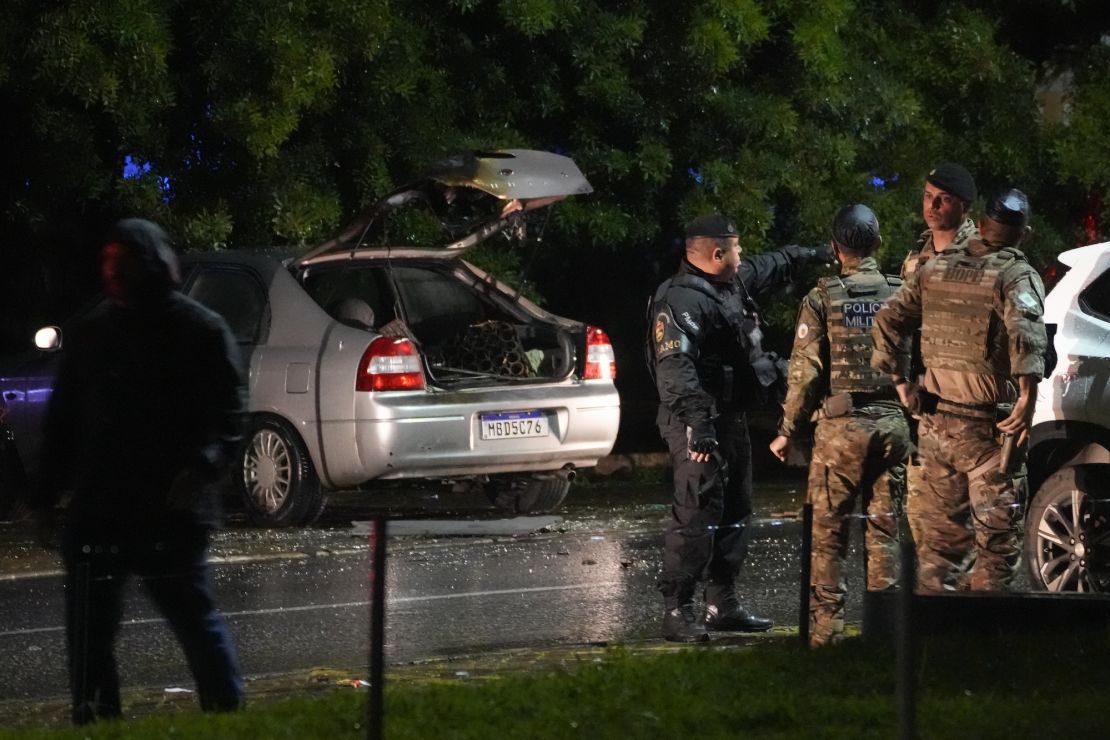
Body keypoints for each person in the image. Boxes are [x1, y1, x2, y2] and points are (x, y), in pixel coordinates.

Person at [33, 218, 247, 724]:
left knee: (194, 623)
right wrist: (45, 497)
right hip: (102, 508)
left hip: (167, 511)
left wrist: (201, 468)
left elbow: (229, 419)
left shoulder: (197, 330)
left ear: (151, 266)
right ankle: (96, 720)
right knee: (89, 636)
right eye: (110, 263)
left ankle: (229, 716)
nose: (115, 273)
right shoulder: (93, 333)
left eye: (124, 262)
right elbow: (64, 423)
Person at [648, 214, 832, 642]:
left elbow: (768, 265)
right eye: (736, 248)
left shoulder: (728, 284)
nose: (742, 254)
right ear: (717, 254)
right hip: (695, 420)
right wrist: (698, 424)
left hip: (729, 416)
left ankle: (722, 602)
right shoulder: (680, 300)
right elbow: (675, 370)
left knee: (736, 507)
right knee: (697, 510)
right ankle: (677, 610)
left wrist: (812, 254)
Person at [871, 190, 1046, 591]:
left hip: (935, 427)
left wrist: (900, 383)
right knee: (996, 551)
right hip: (988, 432)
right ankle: (977, 645)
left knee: (939, 551)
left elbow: (887, 319)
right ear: (1025, 234)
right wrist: (1027, 395)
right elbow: (1026, 332)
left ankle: (935, 644)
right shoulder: (1015, 274)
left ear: (981, 226)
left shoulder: (937, 268)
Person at [769, 205, 911, 646]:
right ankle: (884, 636)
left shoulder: (823, 298)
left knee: (827, 536)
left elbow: (805, 373)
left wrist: (787, 429)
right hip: (894, 425)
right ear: (878, 243)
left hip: (842, 432)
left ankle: (825, 639)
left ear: (835, 249)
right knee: (885, 532)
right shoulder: (901, 292)